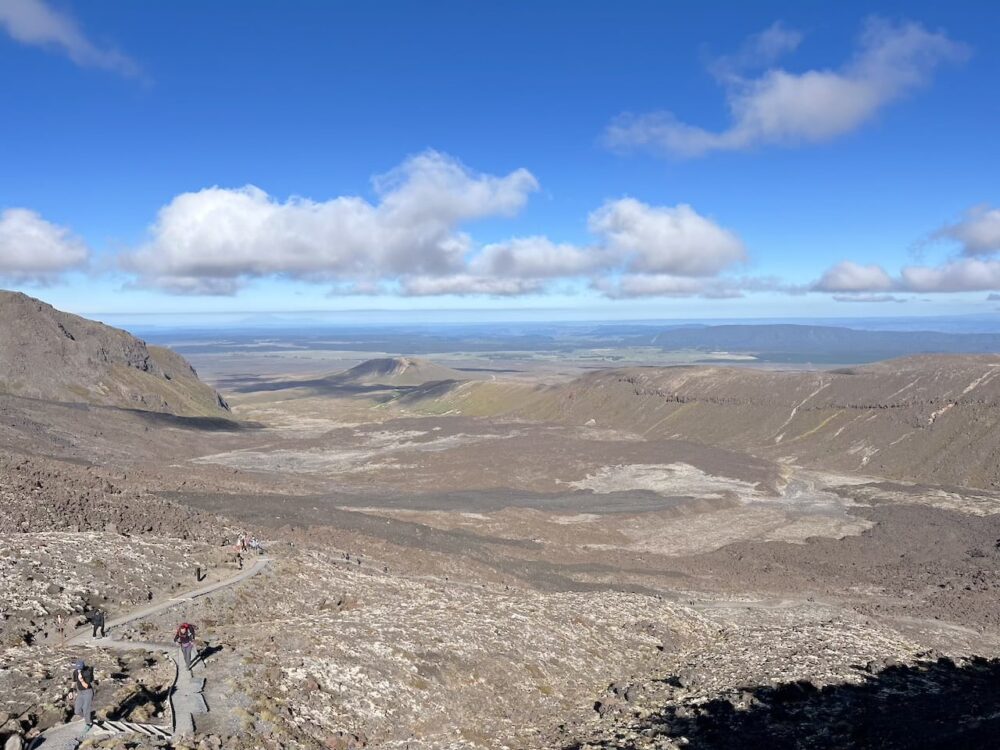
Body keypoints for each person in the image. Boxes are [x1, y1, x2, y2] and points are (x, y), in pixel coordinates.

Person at [71, 659, 95, 729]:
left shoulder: (87, 672)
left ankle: (88, 724)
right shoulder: (75, 671)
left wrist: (81, 680)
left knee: (86, 709)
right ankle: (87, 717)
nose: (78, 670)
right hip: (80, 692)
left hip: (87, 692)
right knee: (77, 711)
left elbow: (86, 686)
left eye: (80, 669)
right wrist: (71, 690)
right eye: (77, 669)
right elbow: (74, 681)